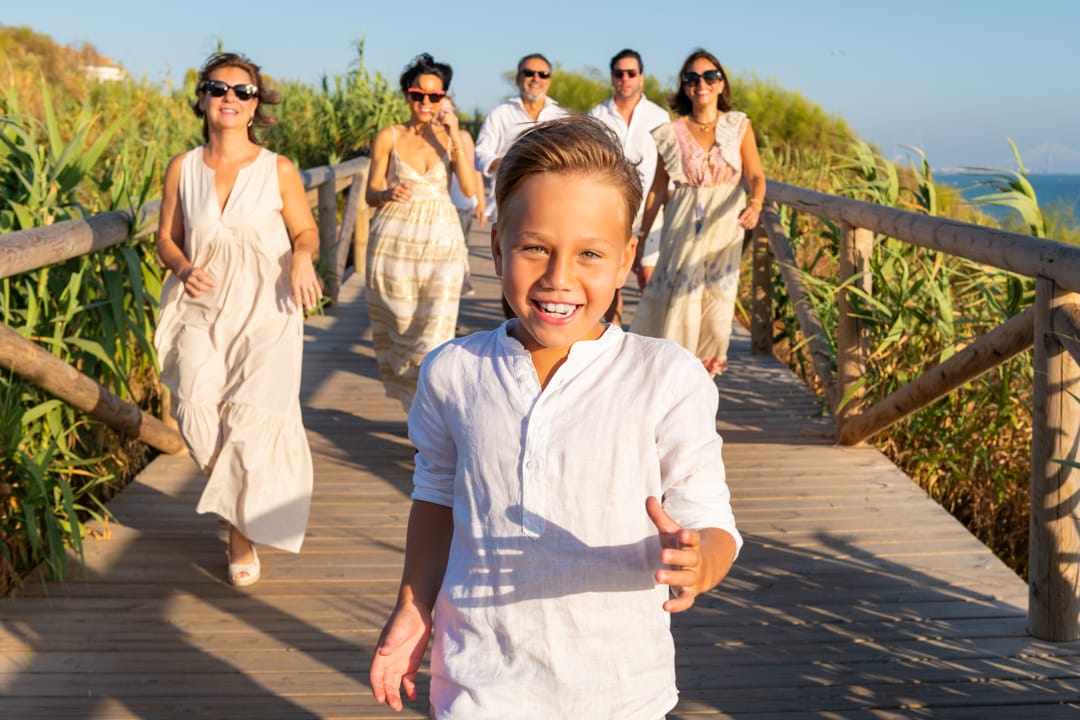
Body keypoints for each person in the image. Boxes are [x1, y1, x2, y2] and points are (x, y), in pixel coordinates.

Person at [369, 116, 741, 718]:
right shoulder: (453, 371)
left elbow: (711, 519)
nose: (558, 277)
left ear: (625, 261)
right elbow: (436, 493)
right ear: (497, 247)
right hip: (476, 682)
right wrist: (414, 607)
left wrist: (701, 562)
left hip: (619, 691)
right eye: (535, 247)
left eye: (590, 254)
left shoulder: (667, 376)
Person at [154, 52, 322, 587]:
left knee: (251, 421)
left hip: (267, 308)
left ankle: (239, 532)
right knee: (195, 408)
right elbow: (166, 238)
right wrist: (181, 266)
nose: (230, 98)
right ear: (202, 99)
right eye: (218, 88)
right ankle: (238, 510)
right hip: (201, 306)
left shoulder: (278, 168)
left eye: (242, 91)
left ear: (255, 105)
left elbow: (306, 232)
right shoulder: (183, 167)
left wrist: (301, 257)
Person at [630, 49, 767, 377]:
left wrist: (757, 203)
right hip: (683, 225)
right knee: (678, 298)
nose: (700, 84)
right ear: (684, 87)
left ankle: (703, 380)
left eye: (709, 77)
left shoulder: (738, 125)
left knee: (716, 303)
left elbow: (756, 176)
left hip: (724, 228)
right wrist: (642, 236)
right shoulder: (671, 132)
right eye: (691, 78)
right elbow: (658, 191)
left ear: (721, 84)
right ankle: (673, 374)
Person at [364, 53, 476, 410]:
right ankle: (414, 413)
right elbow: (370, 192)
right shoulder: (389, 137)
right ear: (407, 96)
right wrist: (386, 193)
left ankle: (431, 420)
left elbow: (471, 189)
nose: (426, 103)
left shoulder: (451, 138)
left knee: (436, 336)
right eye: (418, 95)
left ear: (444, 97)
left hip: (441, 240)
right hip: (394, 241)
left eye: (435, 96)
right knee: (401, 330)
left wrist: (454, 132)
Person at [588, 48, 671, 325]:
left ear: (641, 78)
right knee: (613, 281)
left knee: (649, 279)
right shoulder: (597, 115)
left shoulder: (659, 117)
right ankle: (614, 340)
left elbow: (670, 167)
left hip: (650, 208)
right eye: (619, 73)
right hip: (608, 211)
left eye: (631, 73)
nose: (625, 78)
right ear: (612, 78)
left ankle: (651, 342)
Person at [473, 53, 569, 224]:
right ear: (518, 78)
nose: (536, 78)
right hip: (510, 203)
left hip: (553, 204)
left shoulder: (561, 117)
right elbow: (480, 155)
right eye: (529, 73)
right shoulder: (500, 114)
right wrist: (510, 163)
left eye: (543, 74)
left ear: (549, 81)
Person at [443, 96, 485, 296]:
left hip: (462, 201)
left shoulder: (463, 137)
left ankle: (460, 284)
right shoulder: (427, 137)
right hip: (439, 204)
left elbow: (475, 170)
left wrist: (481, 201)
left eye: (447, 110)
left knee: (459, 248)